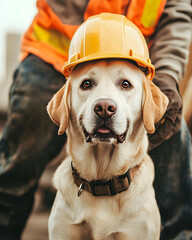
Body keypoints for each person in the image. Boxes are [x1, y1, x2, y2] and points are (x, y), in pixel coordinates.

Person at [0, 0, 191, 239]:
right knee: (26, 130)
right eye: (88, 86)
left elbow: (177, 17)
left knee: (174, 126)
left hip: (135, 59)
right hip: (56, 54)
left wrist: (167, 76)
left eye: (125, 86)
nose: (105, 106)